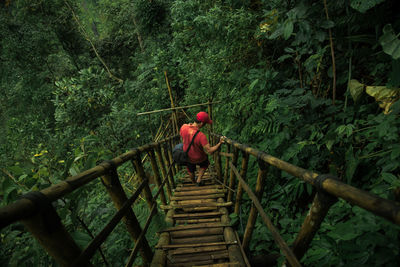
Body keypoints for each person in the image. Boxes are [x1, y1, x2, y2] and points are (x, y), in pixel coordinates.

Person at [179, 111, 225, 185]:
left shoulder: (183, 127)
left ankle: (193, 182)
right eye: (205, 124)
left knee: (190, 169)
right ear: (201, 123)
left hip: (187, 156)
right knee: (205, 163)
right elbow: (209, 151)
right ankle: (199, 179)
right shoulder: (201, 136)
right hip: (199, 158)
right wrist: (219, 143)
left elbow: (182, 136)